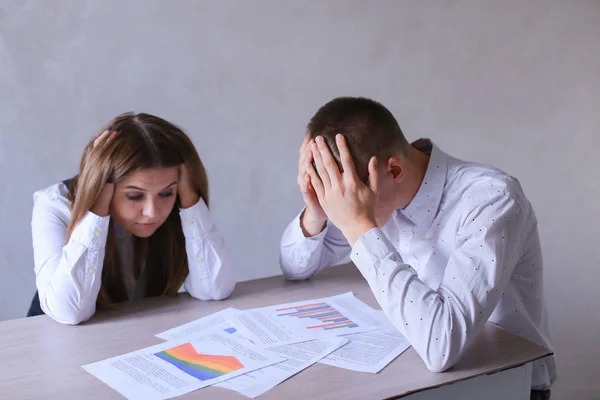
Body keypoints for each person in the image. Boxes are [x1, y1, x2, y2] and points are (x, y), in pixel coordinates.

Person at [280, 97, 556, 398]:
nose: (339, 209)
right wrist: (316, 210)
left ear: (394, 171)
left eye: (343, 197)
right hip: (419, 381)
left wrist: (359, 226)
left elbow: (441, 345)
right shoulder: (380, 190)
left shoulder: (492, 199)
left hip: (507, 386)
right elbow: (295, 267)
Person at [28, 112, 236, 325]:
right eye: (135, 196)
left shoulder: (180, 203)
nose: (152, 212)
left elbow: (214, 289)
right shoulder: (55, 204)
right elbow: (69, 312)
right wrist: (97, 205)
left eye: (166, 193)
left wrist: (191, 199)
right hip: (51, 345)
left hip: (131, 339)